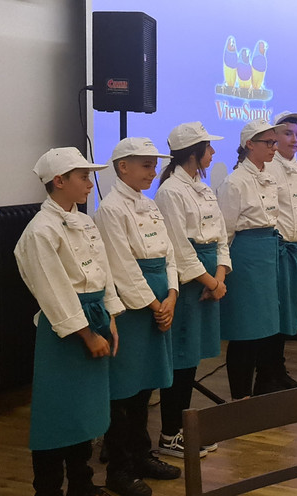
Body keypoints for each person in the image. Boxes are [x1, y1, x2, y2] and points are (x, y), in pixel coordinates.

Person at [14, 147, 123, 496]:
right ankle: (48, 488)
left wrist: (111, 317)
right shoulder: (40, 231)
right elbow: (54, 292)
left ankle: (81, 482)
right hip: (66, 331)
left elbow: (104, 272)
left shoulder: (86, 221)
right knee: (57, 414)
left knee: (84, 413)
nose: (90, 184)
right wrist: (88, 335)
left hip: (95, 318)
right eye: (84, 177)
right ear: (59, 181)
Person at [94, 138, 183, 496]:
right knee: (124, 391)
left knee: (145, 385)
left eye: (153, 165)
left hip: (159, 302)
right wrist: (154, 304)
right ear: (122, 167)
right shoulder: (110, 209)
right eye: (146, 165)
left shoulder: (150, 204)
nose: (153, 171)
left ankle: (142, 455)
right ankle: (120, 469)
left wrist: (172, 294)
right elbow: (122, 266)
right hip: (133, 309)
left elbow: (169, 254)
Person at [153, 122, 229, 459]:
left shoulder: (202, 186)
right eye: (207, 147)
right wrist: (210, 282)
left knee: (192, 358)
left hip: (209, 277)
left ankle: (180, 429)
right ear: (192, 152)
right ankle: (170, 433)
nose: (212, 152)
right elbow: (181, 249)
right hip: (190, 283)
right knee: (181, 358)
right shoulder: (170, 191)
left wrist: (220, 275)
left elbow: (221, 235)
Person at [218, 119, 284, 399]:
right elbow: (225, 231)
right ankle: (240, 396)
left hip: (267, 252)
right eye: (268, 142)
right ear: (249, 145)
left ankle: (262, 388)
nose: (274, 148)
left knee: (265, 328)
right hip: (245, 256)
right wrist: (225, 269)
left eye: (274, 142)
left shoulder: (269, 176)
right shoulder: (234, 182)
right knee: (245, 329)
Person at [269, 111, 297, 377]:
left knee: (291, 313)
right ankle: (271, 371)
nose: (294, 140)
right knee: (276, 312)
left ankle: (279, 369)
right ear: (274, 136)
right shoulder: (267, 168)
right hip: (277, 250)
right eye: (288, 134)